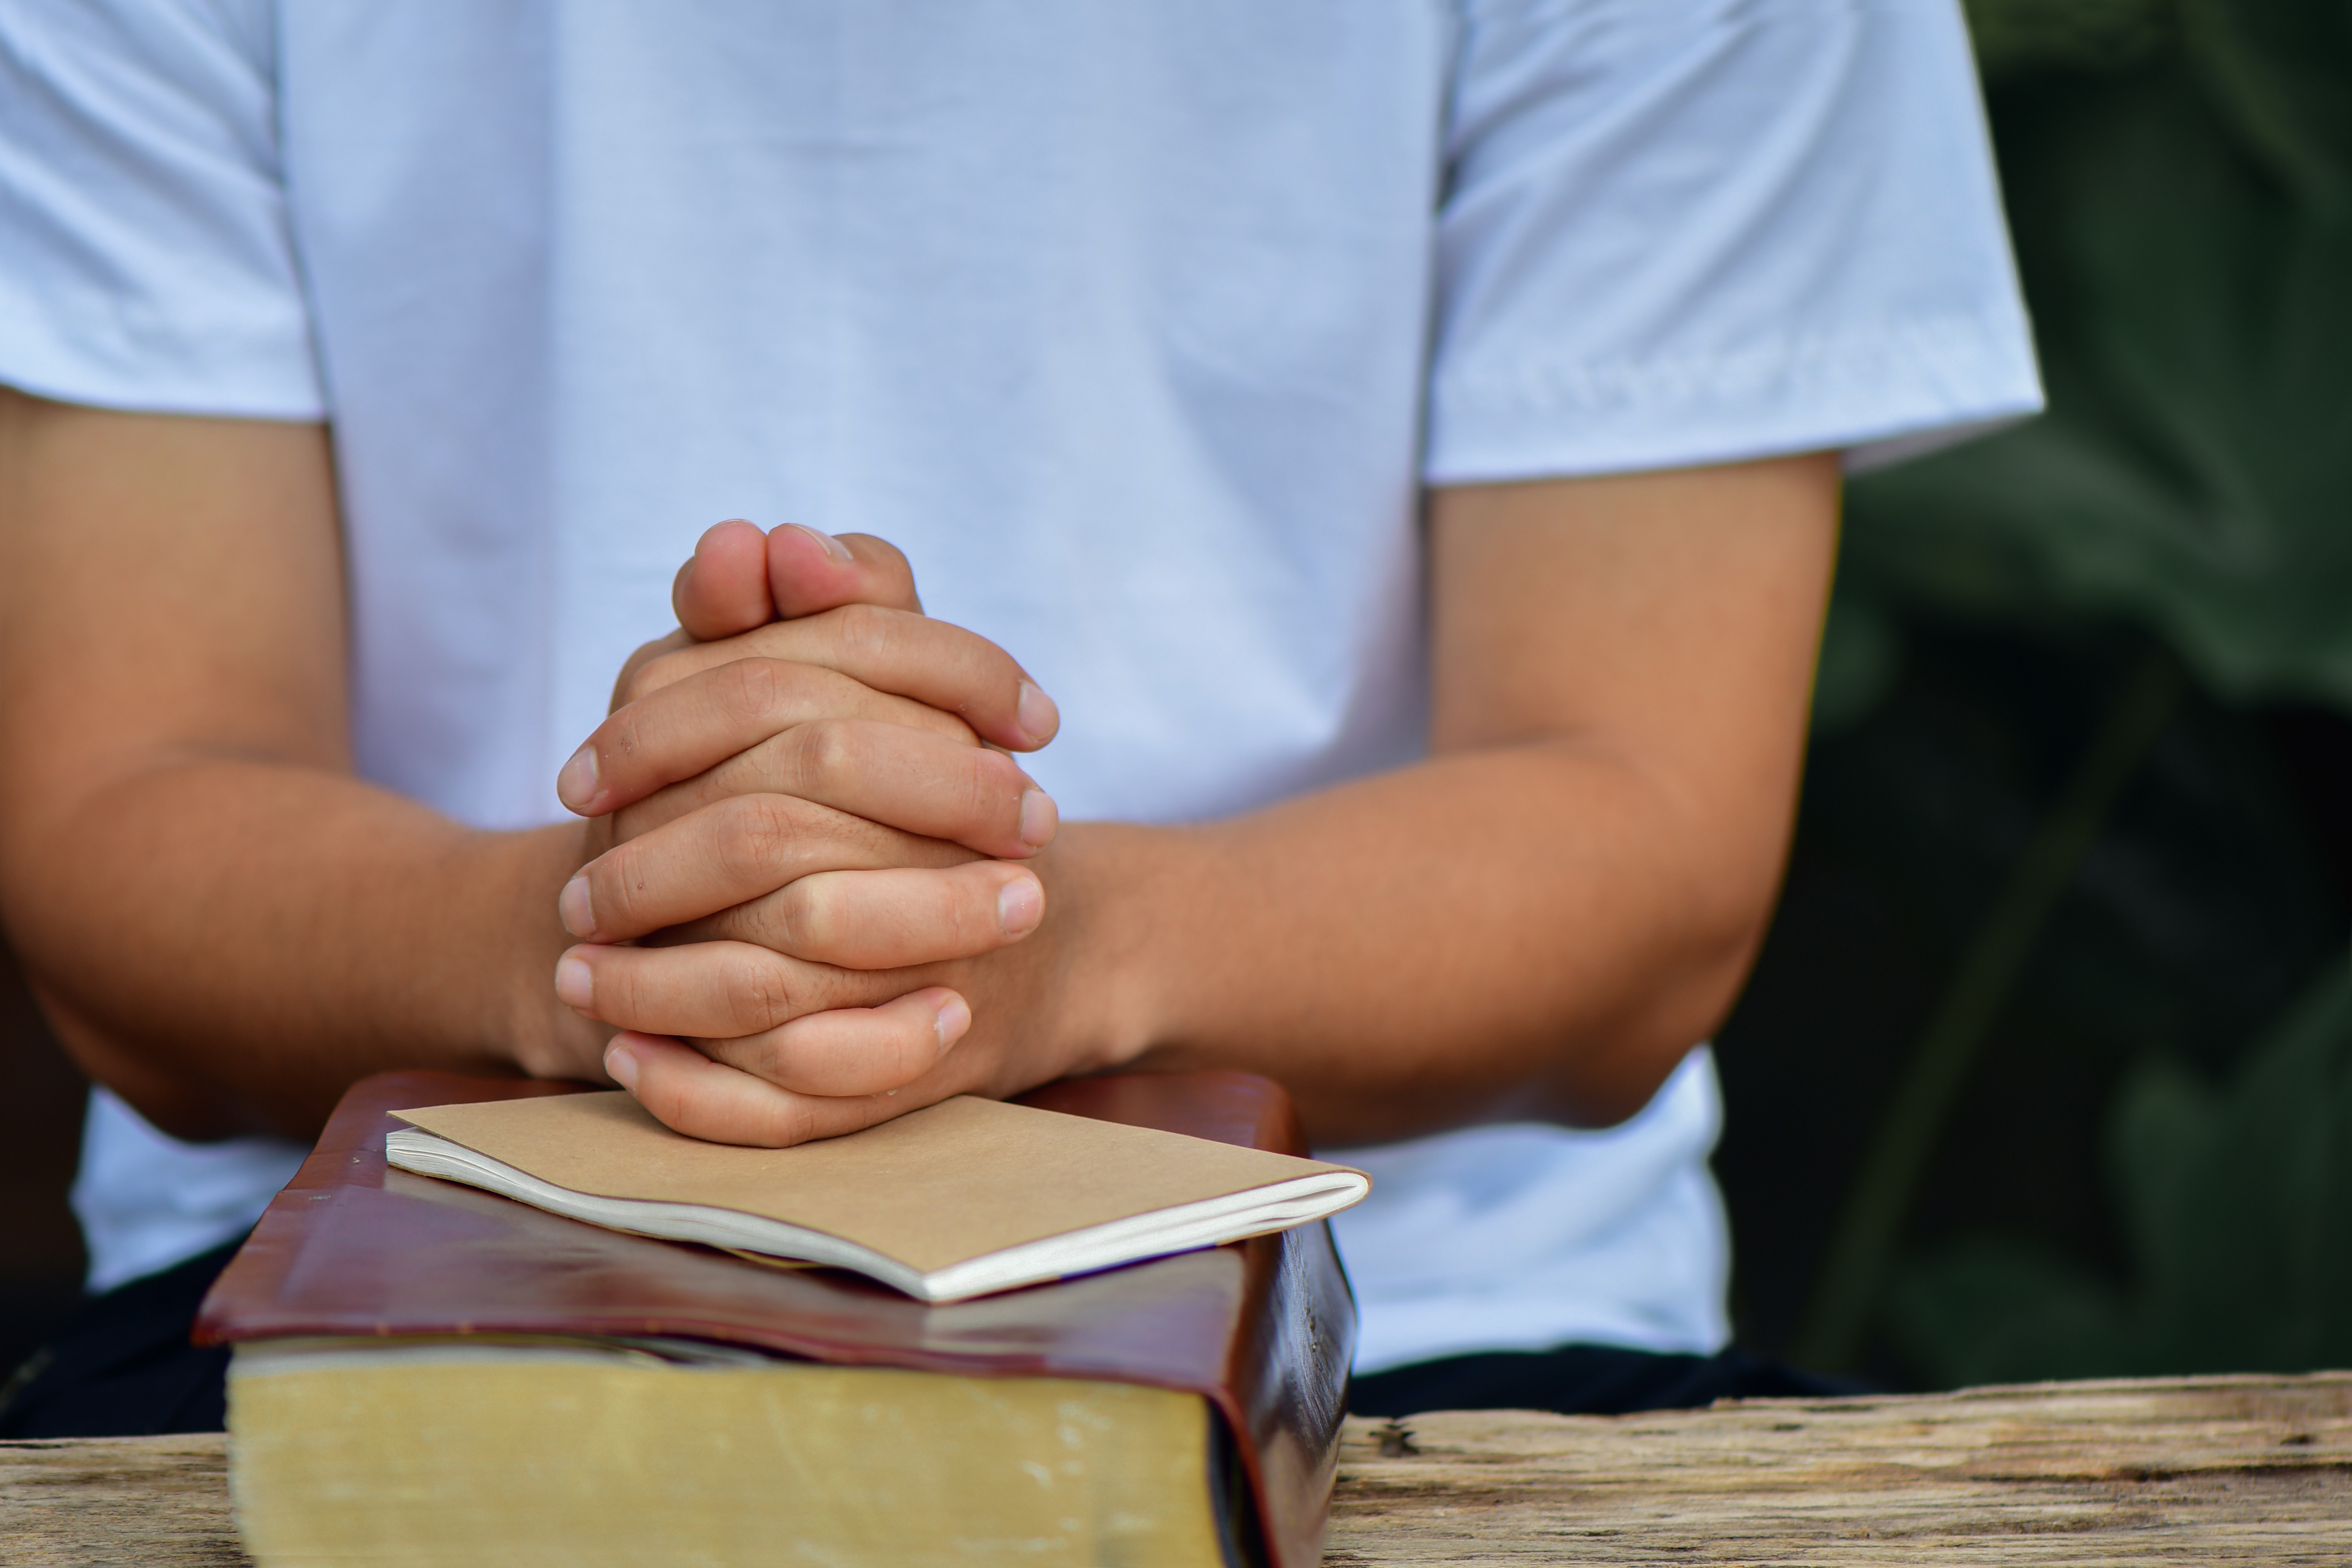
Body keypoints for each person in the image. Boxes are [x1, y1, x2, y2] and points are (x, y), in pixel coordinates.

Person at [0, 0, 2038, 1436]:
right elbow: (127, 830)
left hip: (1400, 1332)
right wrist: (610, 938)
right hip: (364, 1312)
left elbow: (1647, 867)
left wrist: (1035, 953)